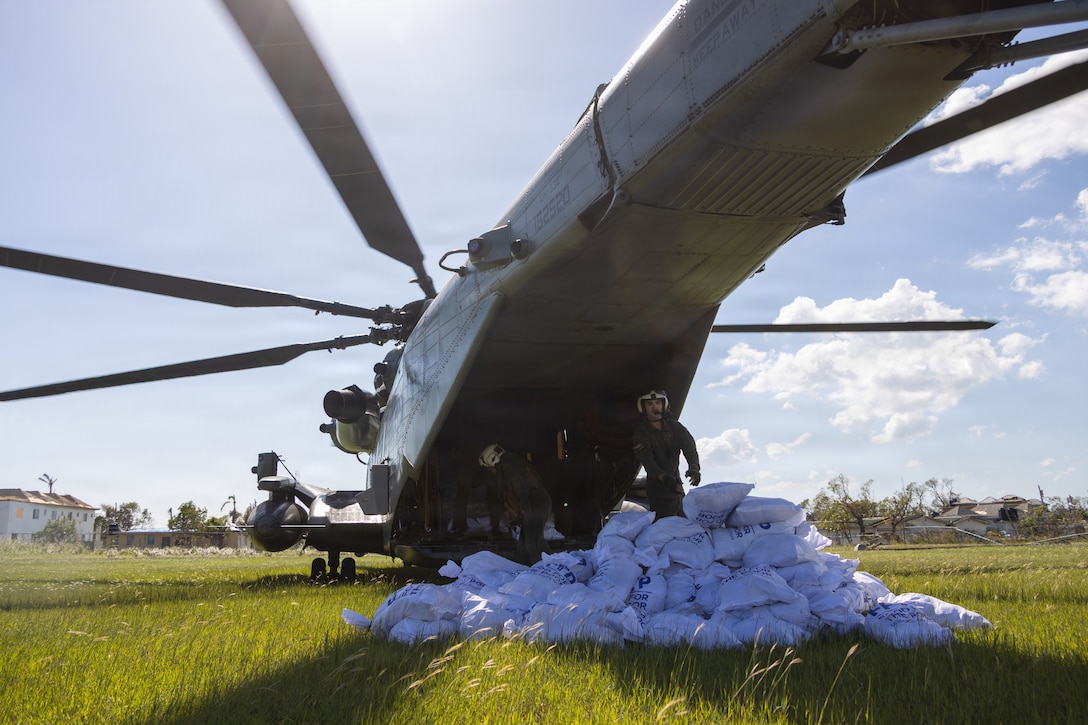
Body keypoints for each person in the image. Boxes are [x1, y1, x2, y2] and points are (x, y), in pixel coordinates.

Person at [631, 389, 701, 519]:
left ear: (664, 405)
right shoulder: (641, 434)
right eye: (650, 404)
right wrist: (666, 479)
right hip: (658, 493)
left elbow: (690, 448)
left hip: (678, 490)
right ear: (643, 407)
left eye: (657, 403)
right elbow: (649, 464)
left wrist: (694, 468)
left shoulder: (675, 427)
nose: (655, 407)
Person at [479, 443, 553, 564]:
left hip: (534, 501)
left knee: (532, 541)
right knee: (524, 543)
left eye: (489, 467)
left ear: (492, 458)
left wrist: (523, 499)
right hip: (533, 502)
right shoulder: (506, 467)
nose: (491, 471)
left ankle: (545, 569)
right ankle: (527, 569)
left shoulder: (511, 461)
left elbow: (520, 480)